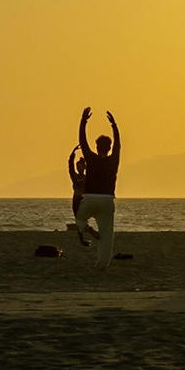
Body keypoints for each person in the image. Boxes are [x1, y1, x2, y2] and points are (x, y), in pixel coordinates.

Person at [74, 107, 122, 267]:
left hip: (90, 198)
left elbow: (82, 141)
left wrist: (83, 121)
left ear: (97, 147)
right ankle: (101, 265)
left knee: (80, 219)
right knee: (107, 236)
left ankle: (87, 229)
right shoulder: (113, 160)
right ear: (108, 148)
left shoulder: (91, 159)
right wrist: (114, 125)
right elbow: (118, 145)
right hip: (107, 200)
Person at [67, 146, 98, 246]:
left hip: (84, 199)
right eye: (78, 166)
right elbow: (70, 167)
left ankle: (93, 231)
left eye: (81, 166)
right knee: (78, 220)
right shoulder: (75, 177)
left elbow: (91, 166)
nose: (79, 168)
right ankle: (82, 240)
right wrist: (72, 155)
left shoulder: (87, 177)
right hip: (76, 199)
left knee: (86, 217)